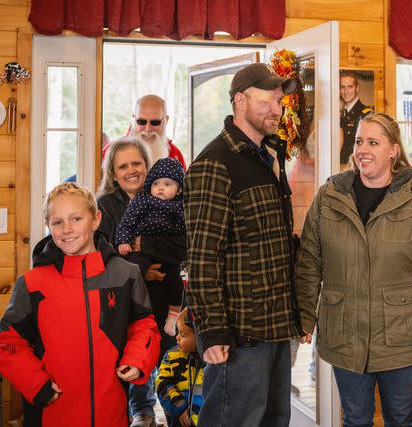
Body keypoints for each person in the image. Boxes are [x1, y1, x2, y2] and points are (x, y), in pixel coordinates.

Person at [295, 112, 412, 427]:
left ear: (393, 150)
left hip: (402, 334)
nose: (363, 149)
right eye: (359, 141)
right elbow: (309, 263)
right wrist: (305, 317)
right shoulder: (330, 195)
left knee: (400, 418)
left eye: (373, 142)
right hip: (345, 332)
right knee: (356, 420)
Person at [184, 62, 301, 427]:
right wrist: (213, 330)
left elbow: (274, 246)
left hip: (277, 328)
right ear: (240, 100)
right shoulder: (214, 164)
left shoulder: (268, 157)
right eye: (267, 101)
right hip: (238, 336)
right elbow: (203, 259)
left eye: (280, 102)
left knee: (274, 421)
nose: (276, 111)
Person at [0, 182, 160, 426]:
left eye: (76, 218)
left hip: (111, 413)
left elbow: (144, 325)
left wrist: (137, 359)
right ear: (48, 226)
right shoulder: (31, 283)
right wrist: (37, 385)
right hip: (52, 411)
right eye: (57, 222)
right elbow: (9, 343)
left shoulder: (126, 274)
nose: (66, 229)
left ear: (96, 220)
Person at [97, 138, 187, 427]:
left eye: (137, 163)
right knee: (135, 357)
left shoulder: (170, 198)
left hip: (167, 294)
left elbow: (182, 247)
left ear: (148, 168)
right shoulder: (105, 206)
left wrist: (144, 243)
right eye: (123, 166)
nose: (131, 170)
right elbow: (104, 254)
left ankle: (178, 413)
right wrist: (141, 271)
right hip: (127, 298)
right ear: (113, 173)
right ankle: (142, 413)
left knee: (170, 356)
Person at [116, 157, 186, 336]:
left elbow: (186, 240)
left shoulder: (181, 206)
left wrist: (150, 245)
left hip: (169, 259)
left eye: (167, 184)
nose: (161, 188)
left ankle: (174, 313)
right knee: (135, 270)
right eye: (156, 183)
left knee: (175, 281)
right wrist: (123, 241)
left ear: (179, 190)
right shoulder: (143, 200)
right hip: (141, 258)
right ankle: (126, 310)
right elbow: (127, 224)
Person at [102, 94, 186, 170]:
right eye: (141, 122)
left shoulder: (175, 156)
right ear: (134, 118)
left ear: (166, 120)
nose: (148, 129)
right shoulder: (110, 153)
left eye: (155, 122)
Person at [156, 307, 204, 427]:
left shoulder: (215, 361)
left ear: (200, 336)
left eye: (183, 334)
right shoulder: (171, 356)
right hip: (179, 420)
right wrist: (180, 408)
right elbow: (162, 383)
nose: (177, 338)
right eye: (178, 332)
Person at [339, 71, 372, 166]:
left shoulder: (365, 114)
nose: (346, 92)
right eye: (342, 87)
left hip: (354, 167)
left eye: (350, 87)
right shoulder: (338, 112)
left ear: (357, 89)